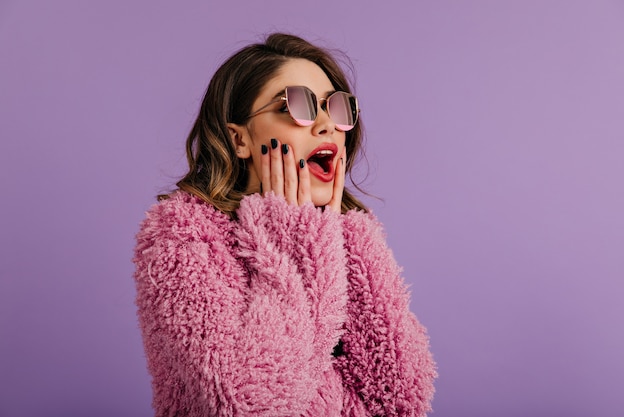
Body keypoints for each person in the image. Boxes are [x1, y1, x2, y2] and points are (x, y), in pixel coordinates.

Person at [133, 33, 436, 417]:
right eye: (296, 105)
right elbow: (249, 404)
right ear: (239, 138)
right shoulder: (181, 237)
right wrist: (293, 244)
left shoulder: (348, 239)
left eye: (335, 107)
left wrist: (347, 235)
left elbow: (401, 399)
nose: (327, 125)